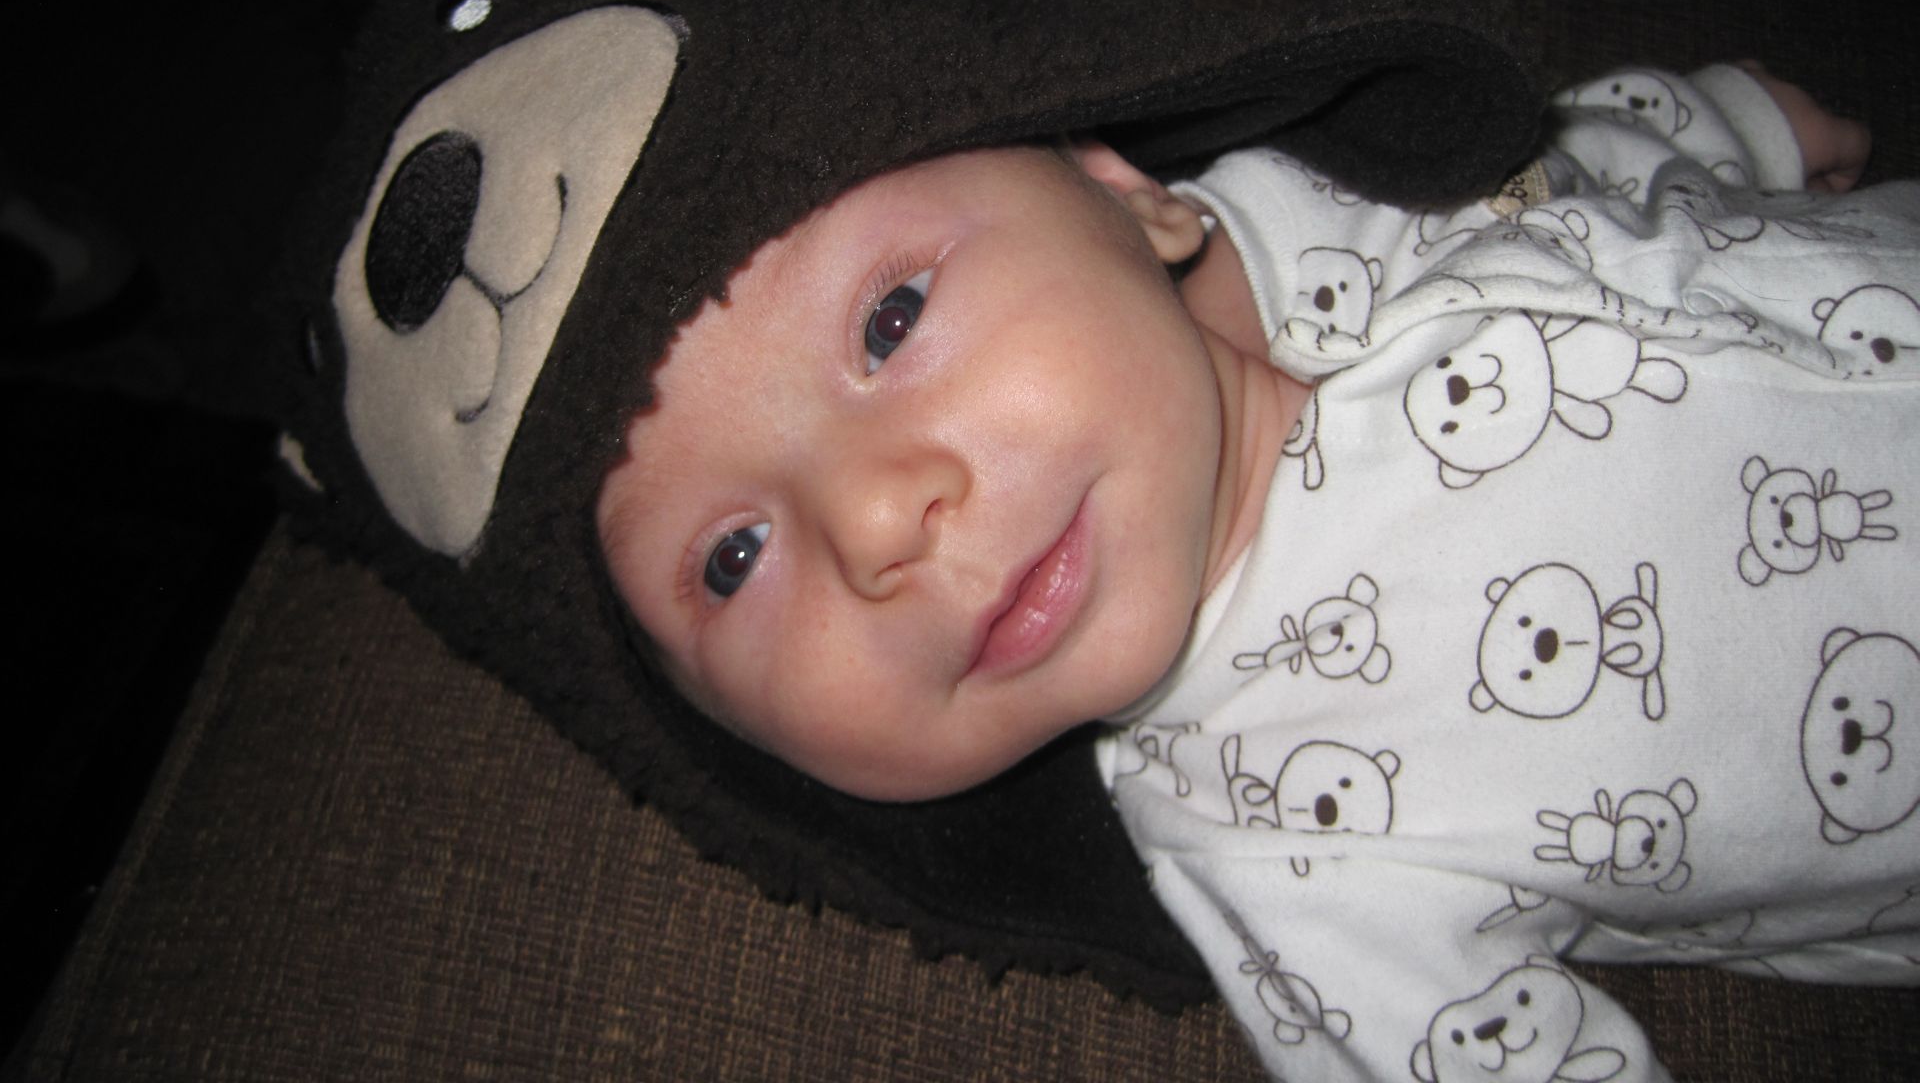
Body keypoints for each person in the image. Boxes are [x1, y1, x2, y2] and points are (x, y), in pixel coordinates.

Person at [595, 59, 1915, 1081]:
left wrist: (1734, 125)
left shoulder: (1343, 180)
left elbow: (1560, 155)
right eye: (733, 558)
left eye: (893, 318)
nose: (877, 518)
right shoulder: (1287, 860)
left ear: (1129, 196)